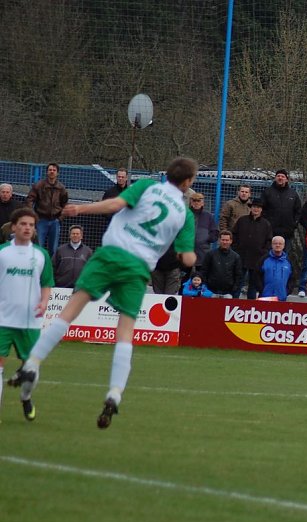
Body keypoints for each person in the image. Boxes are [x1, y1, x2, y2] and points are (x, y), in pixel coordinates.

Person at [8, 157, 198, 429]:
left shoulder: (147, 186)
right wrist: (188, 255)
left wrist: (81, 209)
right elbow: (187, 258)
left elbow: (115, 204)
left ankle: (32, 364)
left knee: (70, 310)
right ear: (188, 182)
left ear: (167, 174)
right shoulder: (185, 215)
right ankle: (115, 393)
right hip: (137, 268)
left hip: (111, 253)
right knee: (125, 332)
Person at [0, 208, 53, 421]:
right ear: (14, 227)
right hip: (3, 319)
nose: (27, 228)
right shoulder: (2, 252)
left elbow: (47, 283)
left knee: (32, 371)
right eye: (23, 224)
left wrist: (44, 301)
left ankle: (26, 397)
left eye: (31, 225)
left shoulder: (41, 255)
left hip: (31, 322)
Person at [232, 198, 273, 300]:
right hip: (241, 256)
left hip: (257, 258)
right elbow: (234, 235)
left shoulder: (266, 224)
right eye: (254, 206)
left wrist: (264, 252)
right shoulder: (242, 220)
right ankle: (233, 302)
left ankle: (251, 305)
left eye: (258, 207)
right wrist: (236, 249)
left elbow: (269, 241)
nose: (256, 209)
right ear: (251, 208)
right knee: (238, 281)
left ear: (261, 209)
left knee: (253, 284)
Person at [26, 162, 68, 256]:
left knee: (53, 249)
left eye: (54, 170)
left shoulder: (61, 188)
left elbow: (65, 204)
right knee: (38, 247)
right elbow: (29, 200)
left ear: (57, 173)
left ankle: (51, 265)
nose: (52, 172)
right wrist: (33, 216)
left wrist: (60, 218)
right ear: (47, 172)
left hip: (55, 221)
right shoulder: (39, 185)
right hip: (41, 220)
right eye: (50, 170)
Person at [262, 169, 301, 249]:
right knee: (269, 253)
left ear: (286, 179)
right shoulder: (267, 192)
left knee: (284, 254)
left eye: (283, 176)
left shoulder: (293, 194)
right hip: (270, 232)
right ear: (275, 178)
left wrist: (294, 224)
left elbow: (298, 211)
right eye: (278, 176)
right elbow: (261, 209)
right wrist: (266, 224)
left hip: (287, 232)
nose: (280, 178)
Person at [200, 230, 242, 298]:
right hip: (211, 292)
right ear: (219, 240)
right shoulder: (210, 254)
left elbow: (238, 275)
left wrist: (234, 290)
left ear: (231, 241)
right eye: (223, 240)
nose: (225, 242)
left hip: (228, 293)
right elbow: (204, 271)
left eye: (227, 240)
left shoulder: (236, 257)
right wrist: (205, 287)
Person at [189, 192, 218, 273]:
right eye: (194, 200)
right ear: (191, 202)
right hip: (187, 252)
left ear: (203, 203)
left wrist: (206, 238)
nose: (196, 203)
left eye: (199, 201)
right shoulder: (185, 215)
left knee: (201, 277)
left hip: (202, 253)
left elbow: (214, 232)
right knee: (184, 278)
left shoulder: (208, 216)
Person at [260, 236, 293, 301]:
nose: (278, 245)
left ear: (284, 246)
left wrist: (287, 291)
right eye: (275, 243)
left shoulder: (288, 261)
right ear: (272, 245)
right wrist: (261, 290)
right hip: (265, 297)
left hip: (282, 298)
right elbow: (257, 275)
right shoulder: (264, 259)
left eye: (280, 244)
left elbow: (292, 278)